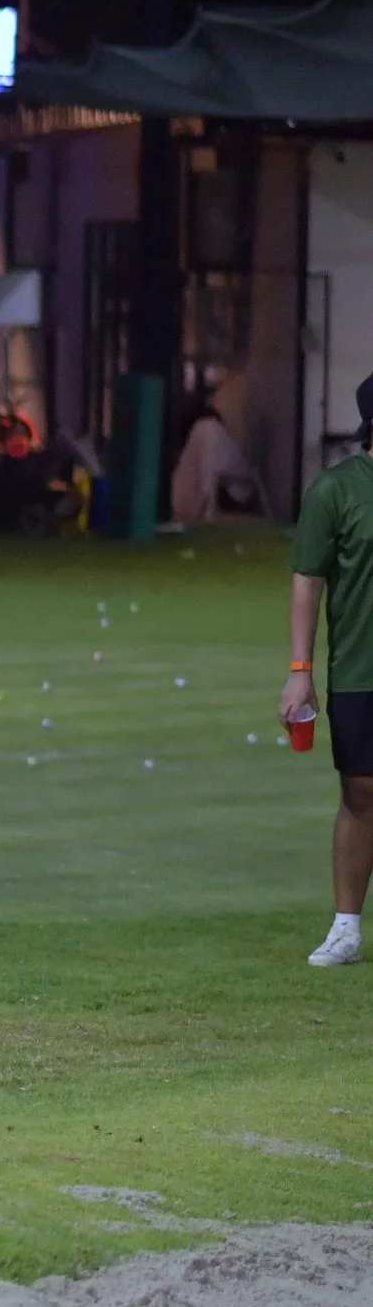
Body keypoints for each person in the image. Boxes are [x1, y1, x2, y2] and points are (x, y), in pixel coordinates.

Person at [284, 371, 373, 968]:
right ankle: (346, 927)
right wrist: (299, 669)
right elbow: (307, 581)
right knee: (361, 794)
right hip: (360, 672)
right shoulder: (336, 491)